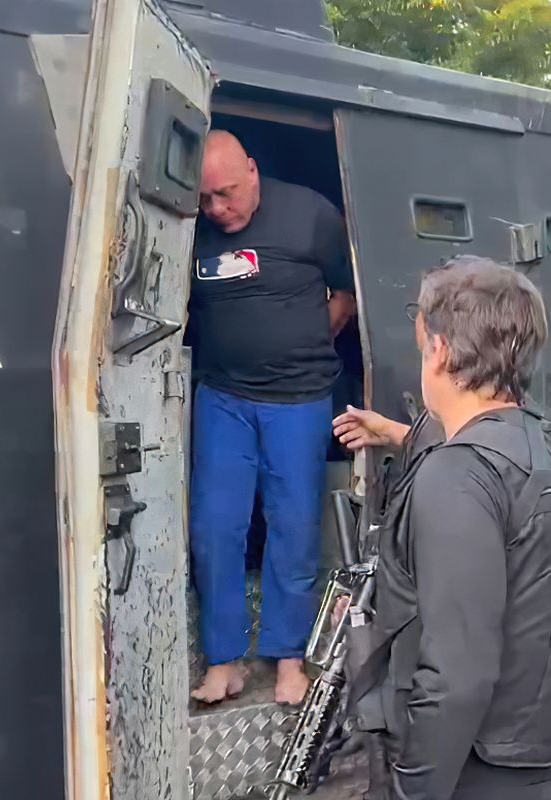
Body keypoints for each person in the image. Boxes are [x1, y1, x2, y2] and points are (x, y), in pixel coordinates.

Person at [338, 255, 551, 800]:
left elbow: (457, 675)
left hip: (476, 776)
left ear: (439, 351)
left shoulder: (459, 474)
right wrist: (399, 435)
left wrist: (413, 790)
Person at [187, 130, 358, 705]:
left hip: (299, 398)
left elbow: (347, 290)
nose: (217, 208)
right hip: (223, 398)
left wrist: (309, 338)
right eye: (206, 198)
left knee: (292, 528)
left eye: (227, 193)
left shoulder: (309, 214)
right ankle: (224, 661)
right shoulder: (192, 228)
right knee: (215, 529)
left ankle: (288, 660)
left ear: (253, 171)